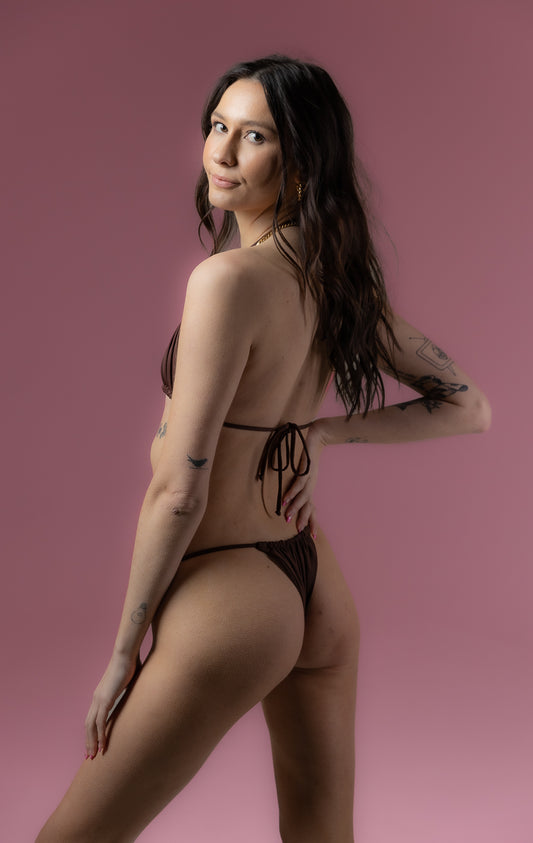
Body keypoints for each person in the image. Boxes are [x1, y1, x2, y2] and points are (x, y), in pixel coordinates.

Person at [36, 55, 490, 843]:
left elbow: (179, 489)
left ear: (301, 160)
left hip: (232, 591)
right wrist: (319, 430)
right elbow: (468, 405)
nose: (221, 151)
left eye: (254, 136)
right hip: (310, 582)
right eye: (218, 126)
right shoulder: (336, 281)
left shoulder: (226, 281)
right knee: (321, 833)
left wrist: (123, 652)